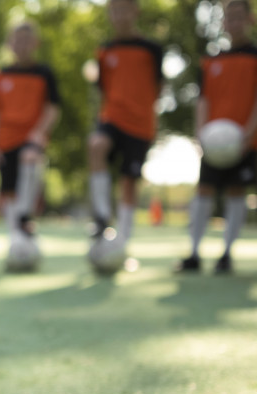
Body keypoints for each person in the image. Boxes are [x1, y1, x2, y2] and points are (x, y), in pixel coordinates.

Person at [176, 0, 257, 274]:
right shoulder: (210, 60)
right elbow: (203, 99)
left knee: (236, 191)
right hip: (213, 142)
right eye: (229, 17)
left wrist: (249, 132)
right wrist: (200, 133)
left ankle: (227, 254)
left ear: (250, 19)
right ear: (223, 22)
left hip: (243, 141)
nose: (234, 22)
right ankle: (193, 254)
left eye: (239, 17)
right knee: (203, 190)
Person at [87, 0, 163, 246]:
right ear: (109, 14)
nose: (120, 15)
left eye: (124, 8)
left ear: (136, 11)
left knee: (128, 181)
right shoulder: (105, 50)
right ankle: (101, 217)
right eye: (114, 9)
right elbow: (103, 90)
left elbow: (158, 88)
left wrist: (153, 119)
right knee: (96, 146)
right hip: (111, 118)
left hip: (140, 123)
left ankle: (123, 242)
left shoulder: (151, 49)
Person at [0, 21, 61, 253]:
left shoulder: (44, 73)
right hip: (5, 140)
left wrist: (39, 133)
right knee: (8, 191)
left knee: (29, 159)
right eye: (17, 39)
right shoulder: (2, 75)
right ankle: (17, 239)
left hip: (31, 138)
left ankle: (23, 219)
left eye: (27, 40)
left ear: (35, 43)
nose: (22, 45)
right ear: (10, 43)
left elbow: (53, 108)